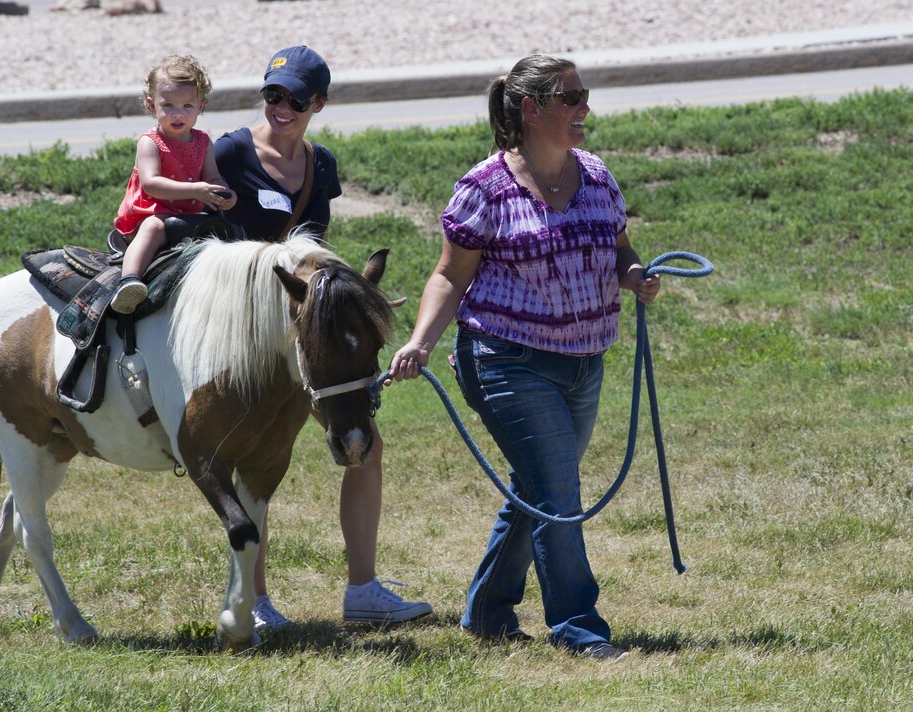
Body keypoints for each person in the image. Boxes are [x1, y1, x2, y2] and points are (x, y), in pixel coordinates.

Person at [387, 54, 661, 660]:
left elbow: (618, 247)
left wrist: (635, 274)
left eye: (584, 94)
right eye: (572, 97)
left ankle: (487, 612)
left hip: (585, 362)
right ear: (532, 109)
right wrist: (420, 342)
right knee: (557, 494)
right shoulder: (485, 188)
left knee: (537, 486)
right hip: (505, 361)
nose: (585, 106)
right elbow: (448, 277)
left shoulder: (595, 175)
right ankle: (580, 628)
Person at [214, 45, 432, 630]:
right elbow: (203, 238)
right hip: (246, 330)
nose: (281, 107)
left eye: (295, 99)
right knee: (253, 455)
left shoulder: (322, 165)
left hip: (301, 331)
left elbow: (314, 253)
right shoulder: (231, 151)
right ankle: (254, 601)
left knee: (366, 447)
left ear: (319, 104)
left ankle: (363, 590)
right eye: (272, 95)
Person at [110, 54, 237, 314]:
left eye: (187, 106)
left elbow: (212, 175)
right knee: (154, 228)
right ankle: (130, 280)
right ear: (151, 104)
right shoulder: (151, 141)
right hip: (152, 212)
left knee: (226, 232)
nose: (178, 114)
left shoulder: (203, 142)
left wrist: (222, 190)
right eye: (168, 105)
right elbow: (151, 184)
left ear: (202, 106)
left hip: (190, 214)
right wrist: (196, 190)